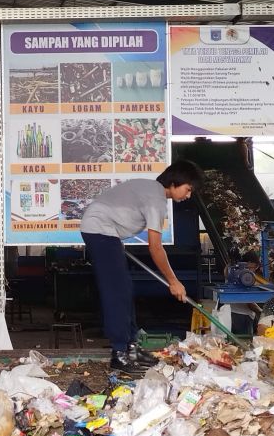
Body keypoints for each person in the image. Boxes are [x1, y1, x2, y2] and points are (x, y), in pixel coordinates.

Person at [80, 160, 204, 375]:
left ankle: (132, 347)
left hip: (107, 232)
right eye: (188, 189)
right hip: (99, 230)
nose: (188, 195)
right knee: (116, 293)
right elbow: (155, 248)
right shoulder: (156, 199)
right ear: (176, 182)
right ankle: (119, 353)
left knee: (125, 288)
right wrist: (174, 281)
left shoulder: (152, 190)